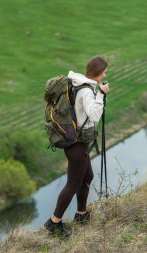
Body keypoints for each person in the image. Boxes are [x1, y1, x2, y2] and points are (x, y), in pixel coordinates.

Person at [44, 56, 110, 237]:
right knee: (73, 183)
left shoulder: (77, 82)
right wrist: (101, 94)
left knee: (87, 176)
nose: (105, 74)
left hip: (76, 141)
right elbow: (94, 116)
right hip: (76, 143)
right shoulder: (87, 91)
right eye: (104, 71)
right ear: (97, 73)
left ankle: (81, 214)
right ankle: (54, 221)